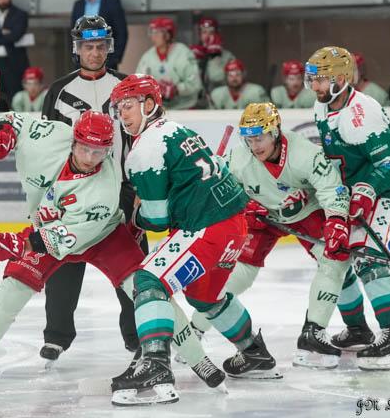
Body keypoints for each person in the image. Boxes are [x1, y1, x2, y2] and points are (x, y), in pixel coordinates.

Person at [0, 110, 225, 395]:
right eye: (84, 148)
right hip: (47, 229)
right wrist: (4, 134)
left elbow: (69, 237)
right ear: (73, 140)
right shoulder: (49, 136)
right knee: (11, 291)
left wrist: (18, 244)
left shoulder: (105, 187)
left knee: (149, 292)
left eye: (99, 152)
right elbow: (16, 120)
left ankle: (199, 359)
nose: (90, 158)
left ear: (108, 151)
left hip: (104, 236)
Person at [108, 74, 279, 406]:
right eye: (118, 108)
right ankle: (254, 353)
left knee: (148, 281)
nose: (122, 115)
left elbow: (157, 220)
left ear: (149, 104)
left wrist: (137, 217)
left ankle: (155, 366)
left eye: (127, 106)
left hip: (206, 228)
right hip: (235, 226)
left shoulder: (146, 148)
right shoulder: (178, 129)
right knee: (205, 296)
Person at [190, 102, 351, 369]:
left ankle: (313, 333)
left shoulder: (305, 153)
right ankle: (194, 331)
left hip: (305, 212)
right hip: (262, 217)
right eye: (249, 139)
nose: (254, 146)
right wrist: (243, 205)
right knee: (239, 272)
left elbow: (330, 187)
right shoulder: (238, 159)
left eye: (260, 138)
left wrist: (336, 221)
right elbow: (223, 191)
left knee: (335, 259)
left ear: (275, 132)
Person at [305, 46, 390, 371]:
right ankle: (357, 329)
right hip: (352, 194)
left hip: (386, 192)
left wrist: (366, 190)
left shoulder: (361, 112)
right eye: (313, 79)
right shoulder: (321, 106)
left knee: (369, 260)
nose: (314, 86)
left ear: (340, 79)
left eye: (321, 79)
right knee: (337, 257)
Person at [40, 15, 139, 364]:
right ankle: (57, 336)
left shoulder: (129, 87)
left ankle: (137, 334)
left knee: (131, 264)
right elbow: (48, 146)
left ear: (108, 48)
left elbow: (144, 138)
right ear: (77, 49)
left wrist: (143, 189)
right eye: (88, 47)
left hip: (124, 189)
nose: (94, 53)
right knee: (64, 257)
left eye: (100, 46)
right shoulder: (59, 91)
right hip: (75, 188)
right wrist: (48, 193)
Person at [135, 17, 202, 110]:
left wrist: (176, 90)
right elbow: (138, 84)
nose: (153, 36)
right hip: (159, 110)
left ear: (168, 34)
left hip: (185, 108)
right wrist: (151, 91)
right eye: (152, 32)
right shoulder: (147, 57)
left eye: (157, 32)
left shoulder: (183, 53)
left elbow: (195, 84)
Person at [71, 0, 128, 70]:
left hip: (108, 63)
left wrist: (114, 59)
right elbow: (73, 35)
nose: (95, 54)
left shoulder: (113, 3)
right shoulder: (78, 5)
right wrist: (77, 58)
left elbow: (121, 33)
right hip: (82, 63)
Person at [189, 17, 235, 92]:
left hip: (219, 96)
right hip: (198, 97)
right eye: (204, 32)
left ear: (217, 34)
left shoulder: (228, 56)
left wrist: (214, 56)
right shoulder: (194, 52)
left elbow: (217, 78)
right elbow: (190, 80)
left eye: (211, 32)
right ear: (200, 35)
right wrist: (196, 60)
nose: (207, 36)